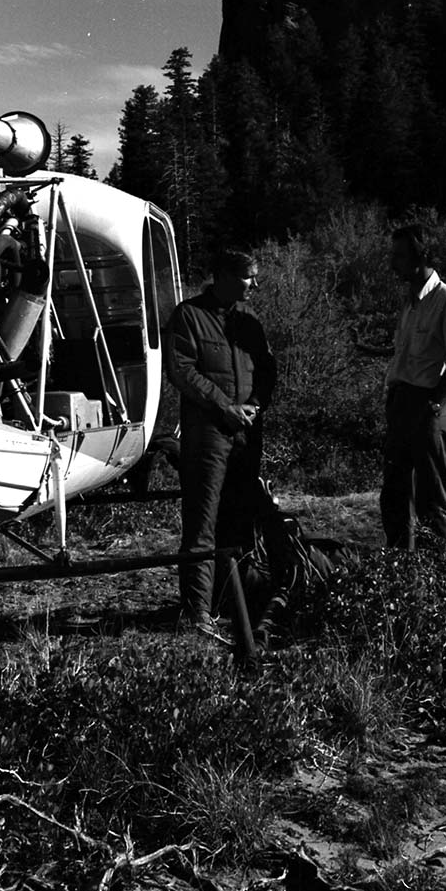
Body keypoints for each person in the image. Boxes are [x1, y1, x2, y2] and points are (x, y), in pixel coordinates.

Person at [165, 248, 277, 634]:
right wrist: (224, 407)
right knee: (203, 520)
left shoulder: (249, 324)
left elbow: (266, 369)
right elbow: (181, 371)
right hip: (208, 434)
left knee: (241, 517)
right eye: (250, 277)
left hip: (247, 433)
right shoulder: (188, 316)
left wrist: (254, 407)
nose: (256, 285)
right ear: (226, 276)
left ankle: (236, 603)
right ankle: (198, 612)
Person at [381, 225, 446, 549]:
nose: (392, 263)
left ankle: (433, 583)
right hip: (403, 404)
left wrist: (433, 407)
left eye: (399, 256)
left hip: (429, 407)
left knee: (432, 500)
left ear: (420, 256)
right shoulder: (410, 301)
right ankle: (399, 575)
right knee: (394, 493)